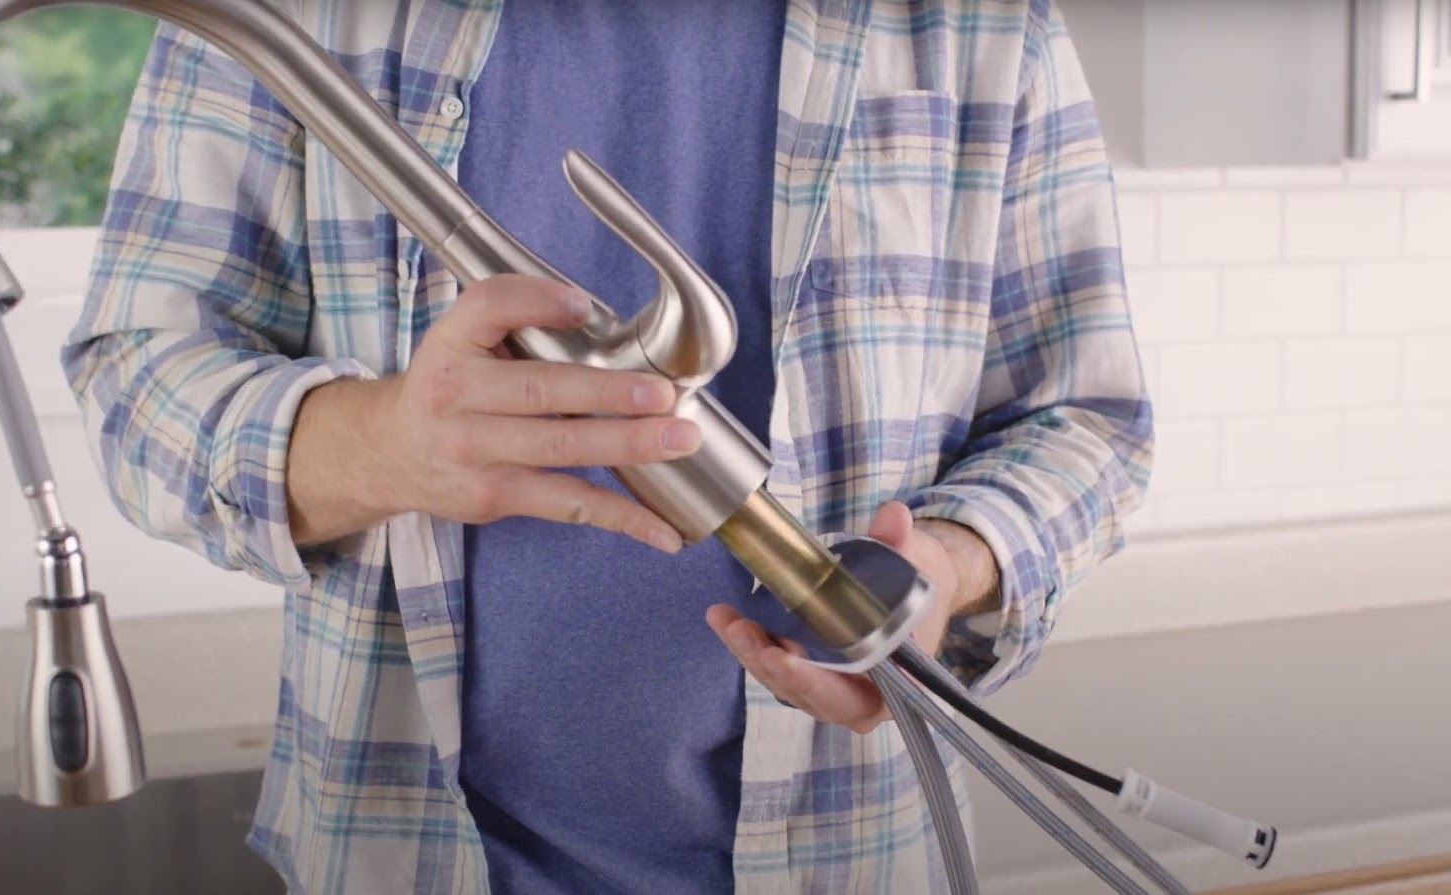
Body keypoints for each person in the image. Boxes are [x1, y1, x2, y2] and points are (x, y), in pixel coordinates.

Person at [62, 0, 1153, 892]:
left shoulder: (981, 25)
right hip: (401, 851)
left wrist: (948, 567)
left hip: (849, 854)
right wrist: (384, 443)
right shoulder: (281, 14)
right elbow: (137, 379)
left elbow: (1085, 422)